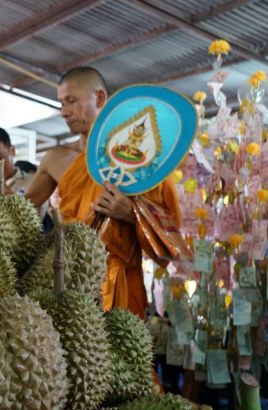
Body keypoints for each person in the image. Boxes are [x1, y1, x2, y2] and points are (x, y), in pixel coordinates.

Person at [53, 66, 180, 320]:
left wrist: (133, 215)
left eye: (71, 101)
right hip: (68, 278)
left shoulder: (146, 163)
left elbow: (172, 236)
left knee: (118, 357)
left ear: (100, 98)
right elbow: (19, 205)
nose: (64, 111)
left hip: (119, 283)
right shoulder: (58, 157)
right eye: (61, 103)